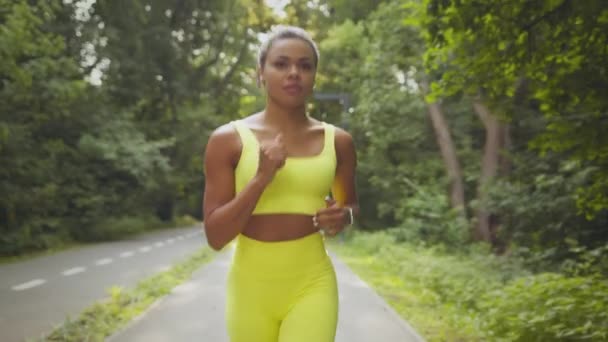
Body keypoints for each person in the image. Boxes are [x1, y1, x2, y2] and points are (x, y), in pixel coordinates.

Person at [202, 25, 359, 342]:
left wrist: (345, 217)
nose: (294, 73)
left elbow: (351, 205)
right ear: (260, 73)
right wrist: (261, 178)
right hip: (250, 289)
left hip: (312, 282)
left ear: (314, 77)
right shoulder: (227, 141)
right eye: (281, 63)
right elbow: (216, 236)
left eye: (305, 66)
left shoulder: (338, 142)